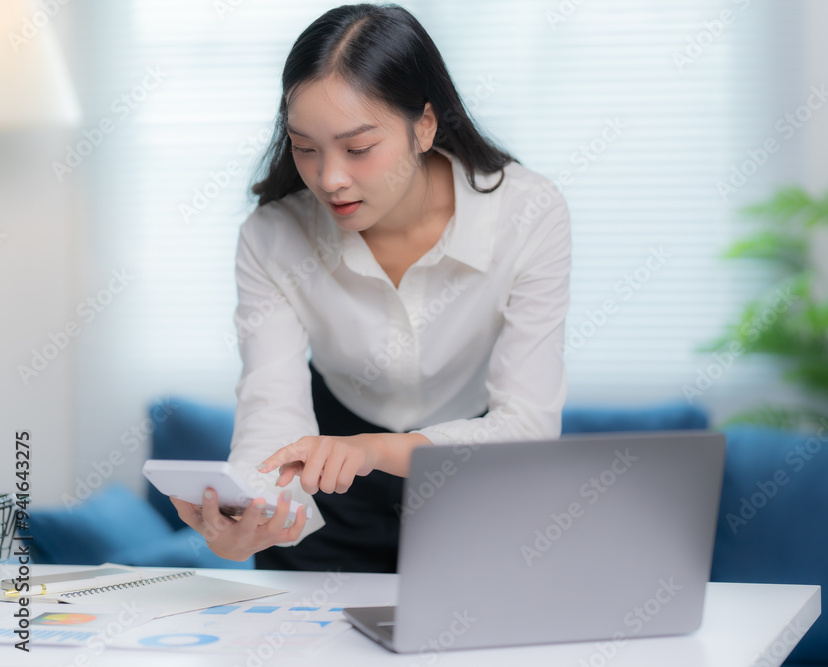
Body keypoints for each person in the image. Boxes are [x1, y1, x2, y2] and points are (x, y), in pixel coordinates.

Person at [171, 3, 571, 573]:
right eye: (305, 148)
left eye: (358, 148)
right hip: (330, 482)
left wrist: (375, 450)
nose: (329, 179)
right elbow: (272, 408)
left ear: (424, 125)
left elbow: (527, 426)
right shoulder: (272, 237)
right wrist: (254, 520)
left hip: (473, 478)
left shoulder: (529, 213)